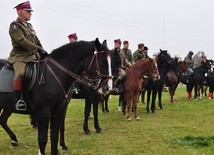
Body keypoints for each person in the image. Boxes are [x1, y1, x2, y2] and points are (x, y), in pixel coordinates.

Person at [7, 1, 48, 110]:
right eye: (28, 11)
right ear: (20, 12)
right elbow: (22, 41)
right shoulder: (14, 26)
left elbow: (36, 40)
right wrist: (38, 49)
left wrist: (42, 50)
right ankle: (19, 100)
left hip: (34, 55)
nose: (30, 14)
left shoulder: (29, 25)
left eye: (30, 12)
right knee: (20, 73)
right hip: (20, 57)